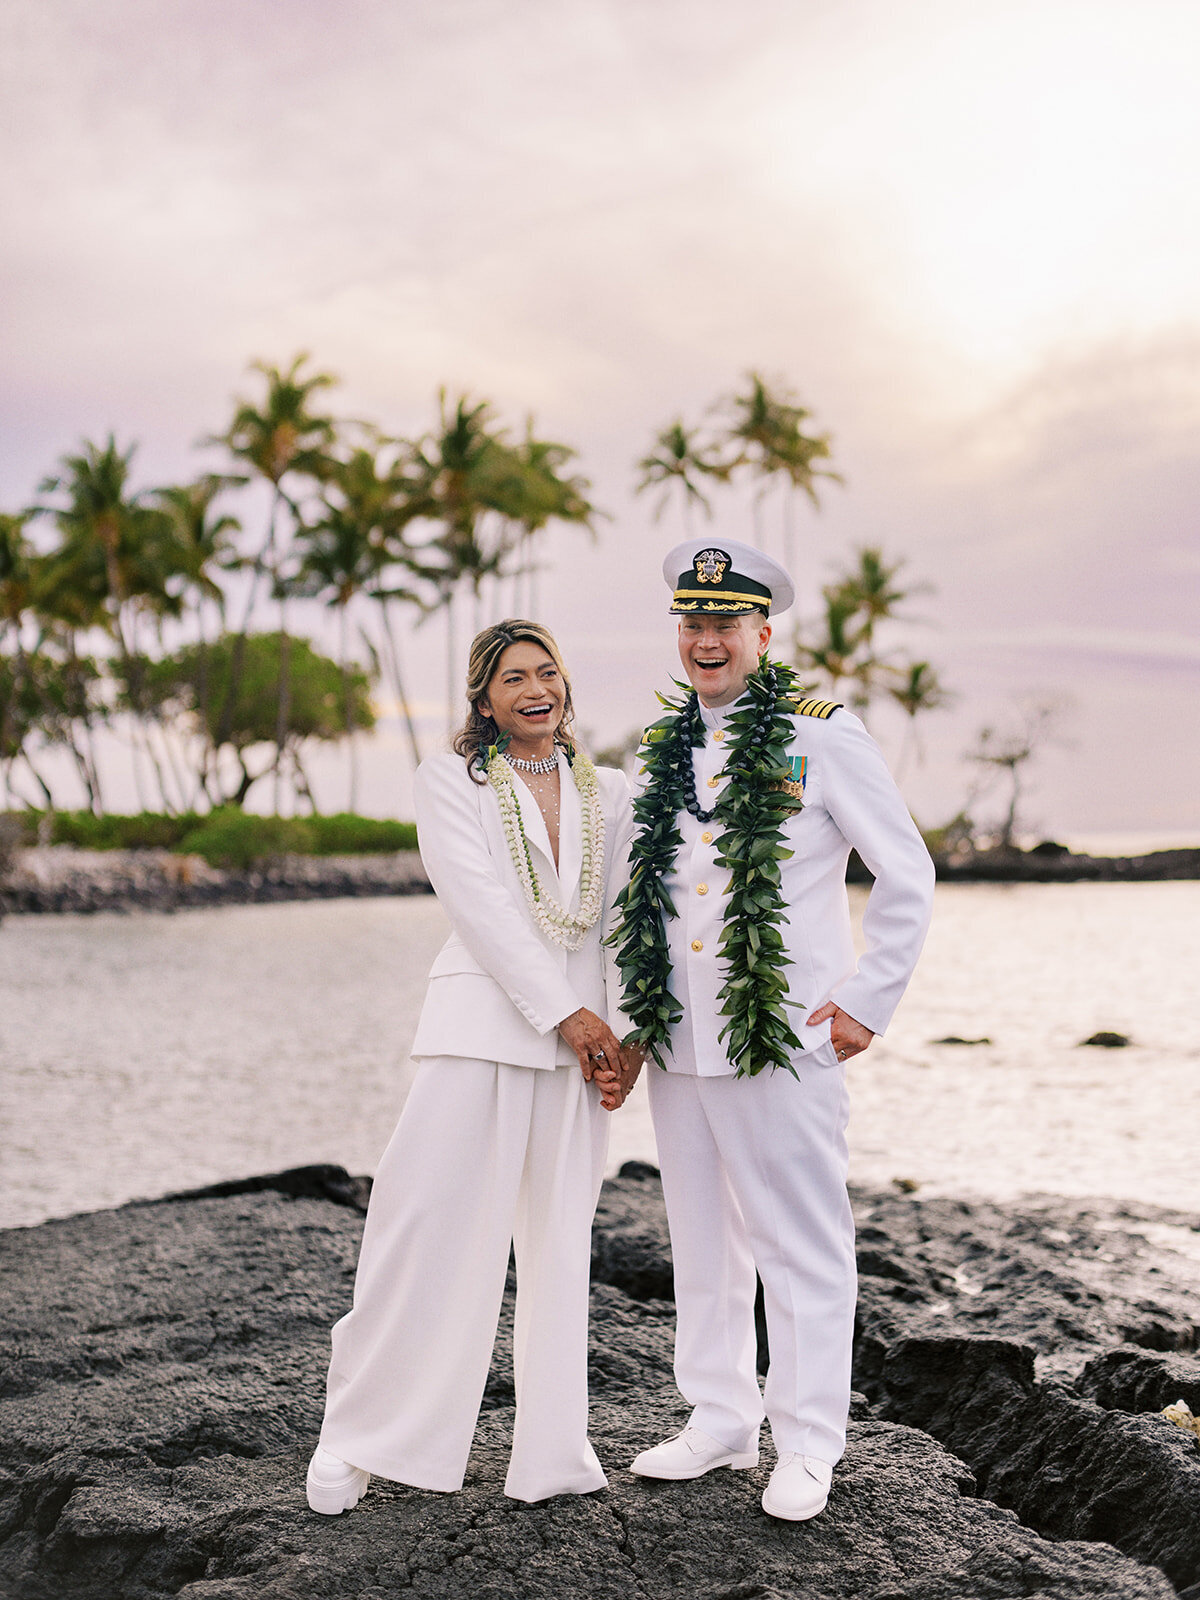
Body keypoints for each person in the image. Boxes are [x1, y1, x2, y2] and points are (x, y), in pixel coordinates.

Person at [612, 538, 935, 1522]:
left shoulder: (821, 736)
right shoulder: (657, 753)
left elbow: (906, 872)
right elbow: (640, 899)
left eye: (725, 623)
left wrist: (868, 1000)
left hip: (782, 1035)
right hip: (681, 1040)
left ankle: (806, 1444)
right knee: (702, 1237)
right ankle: (718, 1419)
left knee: (801, 1243)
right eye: (692, 622)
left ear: (761, 630)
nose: (706, 641)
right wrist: (627, 1023)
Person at [307, 618, 639, 1512]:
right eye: (512, 679)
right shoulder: (453, 781)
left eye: (547, 672)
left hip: (586, 1055)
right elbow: (480, 904)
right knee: (421, 1235)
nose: (535, 689)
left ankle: (552, 1460)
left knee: (562, 1253)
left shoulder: (613, 789)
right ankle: (360, 1438)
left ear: (564, 683)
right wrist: (568, 1016)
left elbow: (632, 923)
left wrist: (628, 1041)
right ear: (483, 700)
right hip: (479, 1033)